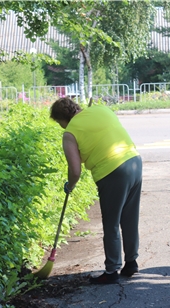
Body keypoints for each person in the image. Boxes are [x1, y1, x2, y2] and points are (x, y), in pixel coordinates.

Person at [50, 97, 142, 284]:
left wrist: (71, 185)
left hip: (112, 171)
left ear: (62, 118)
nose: (61, 127)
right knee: (129, 217)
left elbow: (75, 170)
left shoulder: (70, 133)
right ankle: (131, 262)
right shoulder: (102, 109)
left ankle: (112, 271)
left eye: (59, 123)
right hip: (134, 161)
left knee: (111, 222)